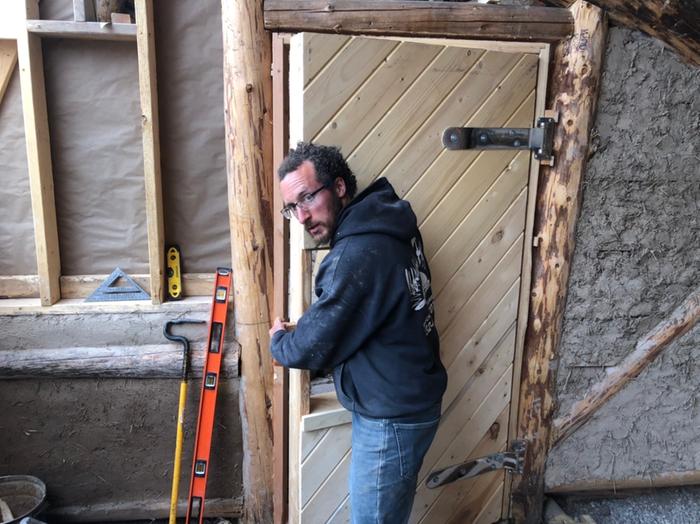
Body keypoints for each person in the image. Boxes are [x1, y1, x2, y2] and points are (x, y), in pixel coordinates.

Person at [269, 142, 447, 524]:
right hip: (410, 399)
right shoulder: (387, 223)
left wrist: (280, 341)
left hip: (392, 418)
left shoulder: (357, 253)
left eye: (307, 198)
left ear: (339, 187)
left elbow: (314, 345)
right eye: (291, 208)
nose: (301, 216)